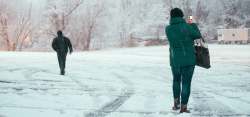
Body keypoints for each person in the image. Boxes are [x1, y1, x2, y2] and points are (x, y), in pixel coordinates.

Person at [165, 8, 201, 113]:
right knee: (186, 83)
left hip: (175, 59)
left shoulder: (168, 29)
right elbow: (197, 35)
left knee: (176, 80)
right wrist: (193, 23)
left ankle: (176, 104)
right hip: (188, 59)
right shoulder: (187, 27)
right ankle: (183, 107)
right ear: (182, 16)